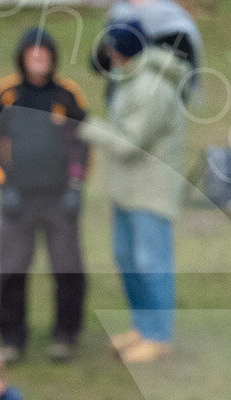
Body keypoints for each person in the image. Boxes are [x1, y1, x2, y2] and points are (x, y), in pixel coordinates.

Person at [78, 19, 189, 365]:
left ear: (124, 53)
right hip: (126, 189)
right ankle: (141, 327)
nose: (107, 57)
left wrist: (85, 126)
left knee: (151, 262)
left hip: (151, 192)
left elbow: (129, 143)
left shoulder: (151, 88)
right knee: (126, 259)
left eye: (112, 51)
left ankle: (159, 336)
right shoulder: (126, 79)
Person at [0, 27, 89, 365]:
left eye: (45, 53)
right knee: (12, 270)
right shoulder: (5, 94)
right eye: (32, 53)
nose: (39, 58)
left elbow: (82, 142)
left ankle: (65, 335)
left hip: (58, 199)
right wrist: (3, 183)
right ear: (23, 57)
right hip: (18, 200)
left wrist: (76, 186)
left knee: (67, 269)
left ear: (53, 57)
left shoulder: (68, 94)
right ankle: (12, 339)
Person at [91, 0, 203, 104]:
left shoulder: (175, 29)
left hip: (159, 98)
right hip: (122, 96)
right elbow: (98, 64)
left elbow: (184, 69)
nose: (135, 2)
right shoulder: (120, 22)